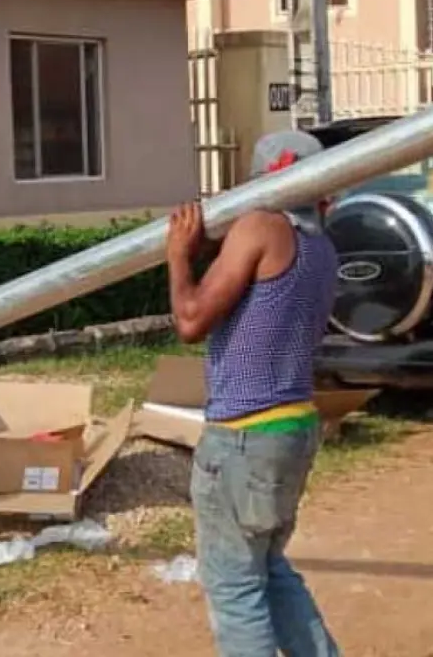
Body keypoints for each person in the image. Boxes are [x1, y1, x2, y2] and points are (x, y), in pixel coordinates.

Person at [165, 130, 340, 657]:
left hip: (244, 436)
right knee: (269, 569)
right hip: (294, 429)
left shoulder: (260, 227)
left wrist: (179, 256)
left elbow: (192, 320)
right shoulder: (322, 246)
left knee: (235, 587)